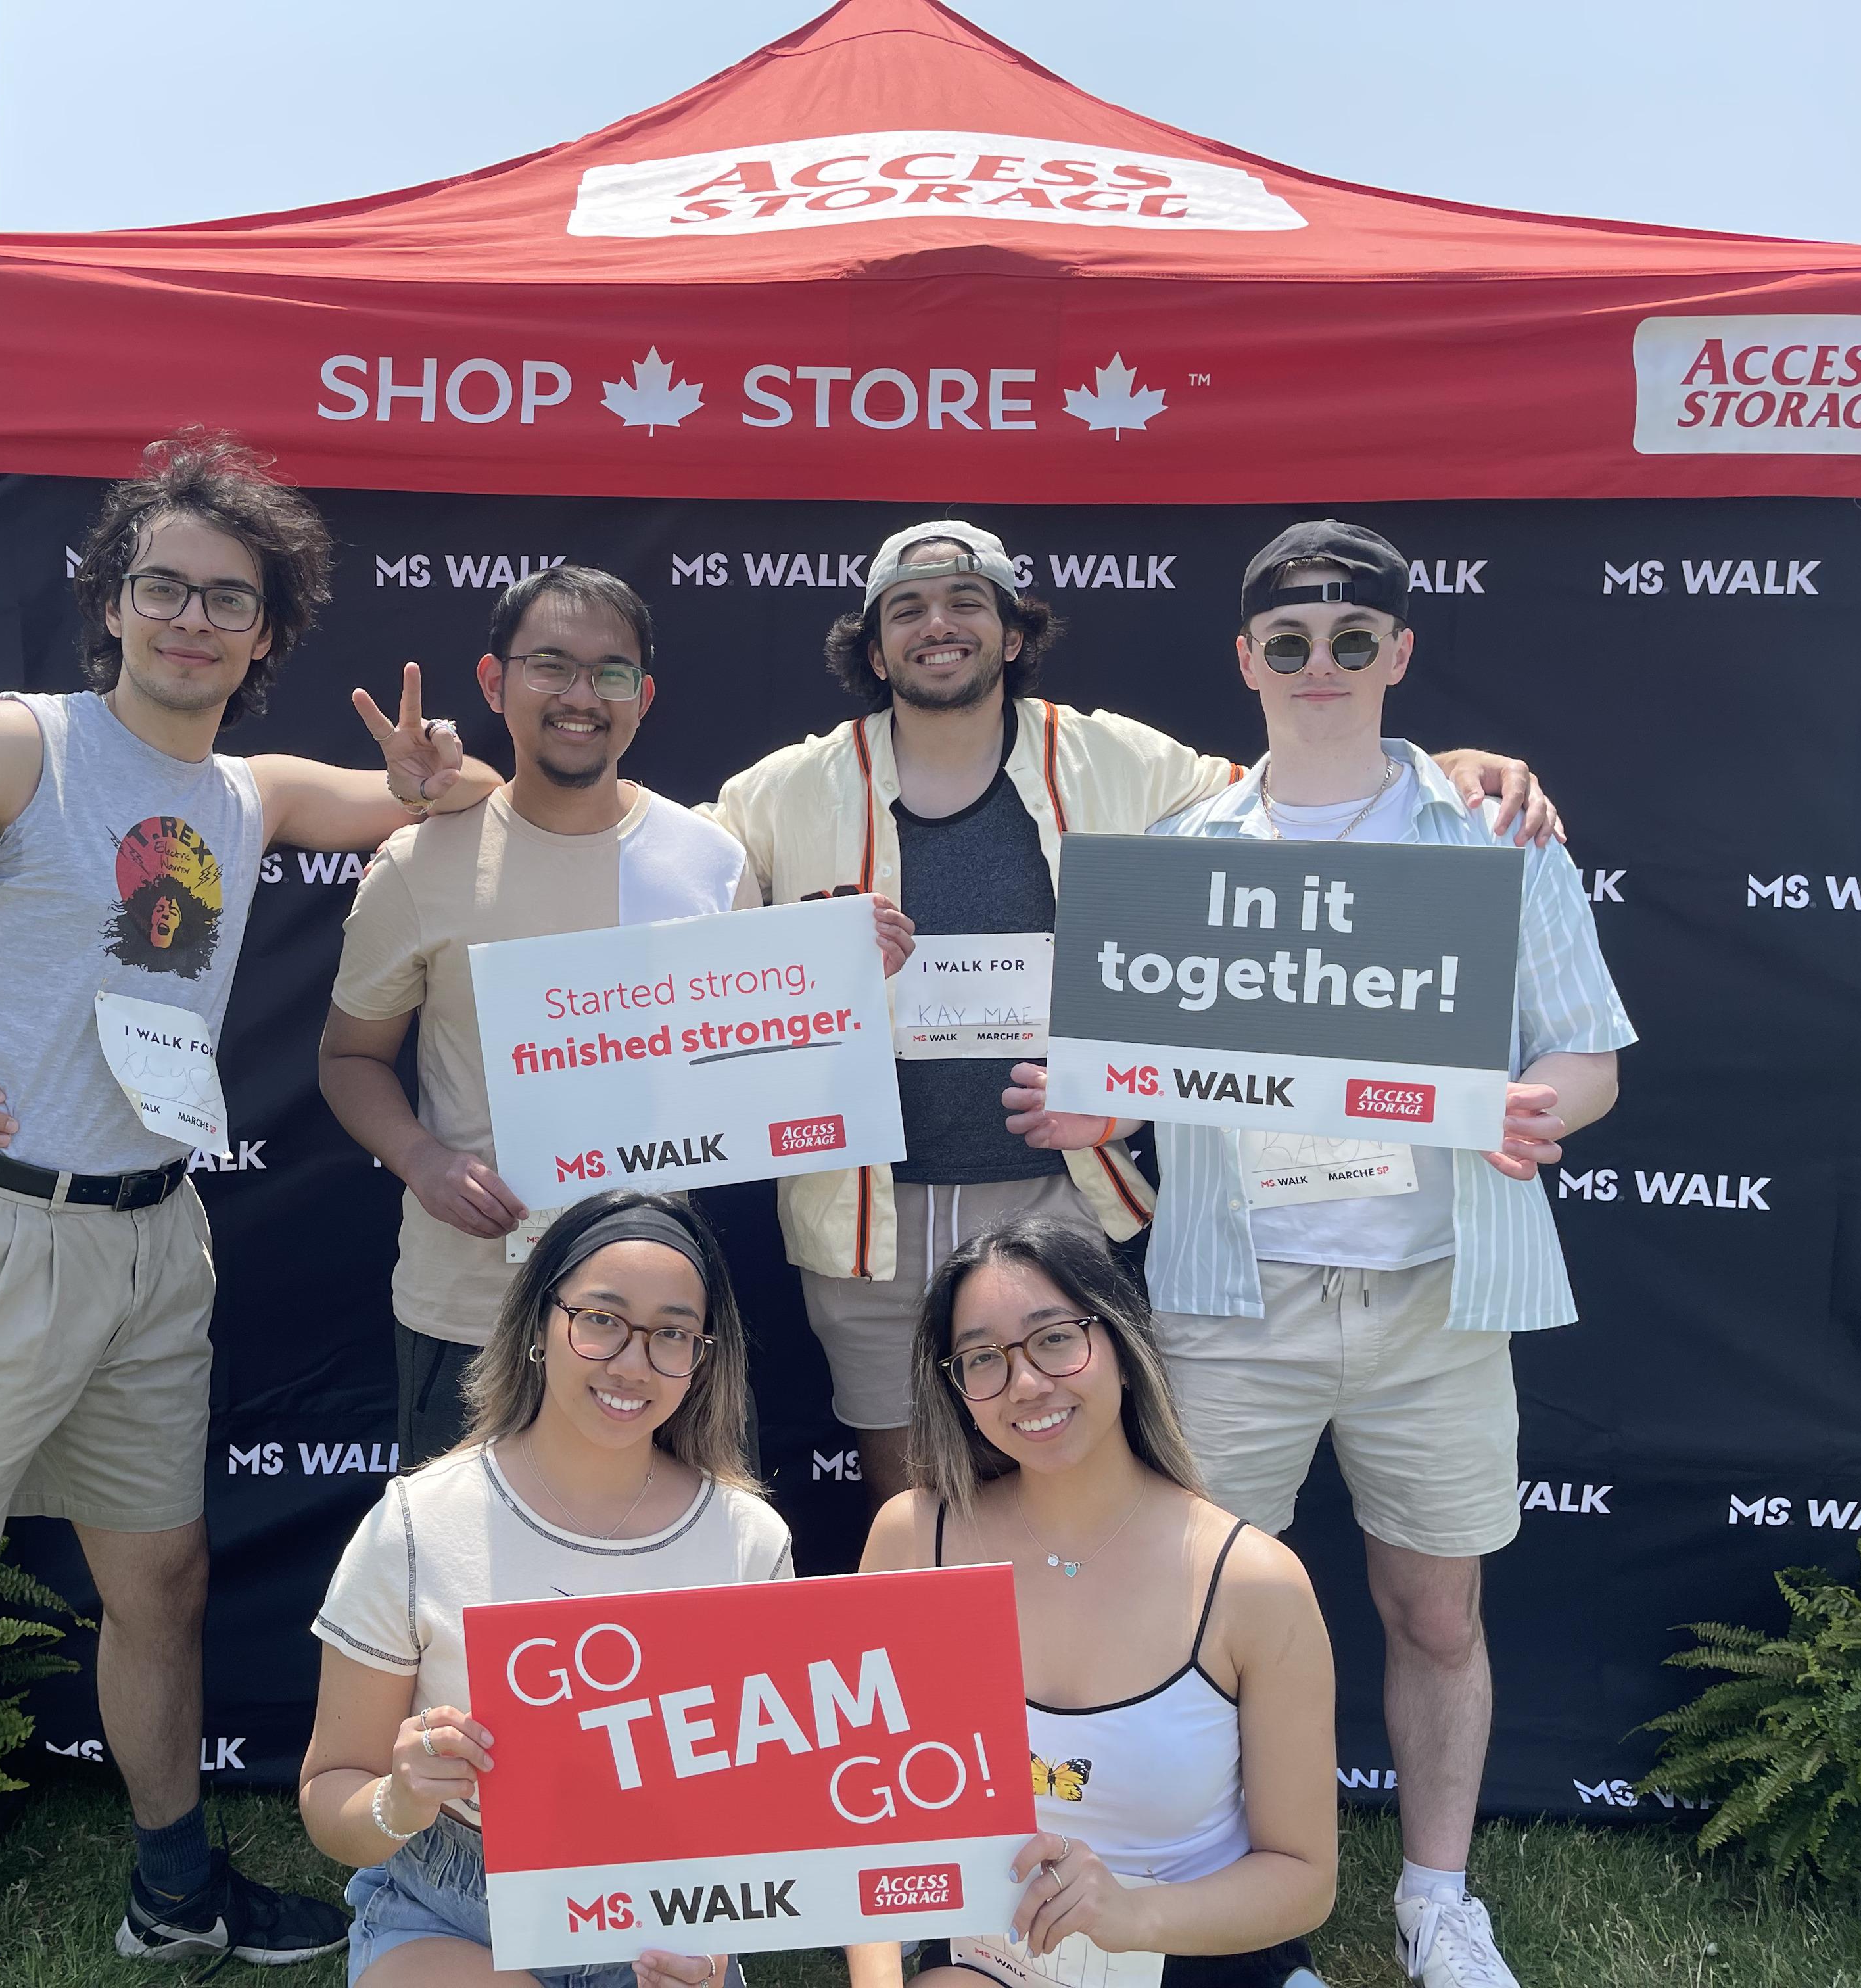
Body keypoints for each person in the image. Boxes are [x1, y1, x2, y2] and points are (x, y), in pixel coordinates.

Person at [0, 429, 499, 1986]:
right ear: (112, 602)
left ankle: (175, 1891)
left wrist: (429, 777)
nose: (190, 618)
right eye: (162, 586)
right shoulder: (18, 747)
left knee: (163, 1588)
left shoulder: (248, 791)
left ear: (267, 633)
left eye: (228, 598)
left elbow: (418, 803)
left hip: (150, 1242)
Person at [1006, 521, 1633, 1988]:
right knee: (1212, 1610)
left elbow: (1590, 1057)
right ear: (1247, 663)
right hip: (1236, 1295)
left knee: (1436, 1607)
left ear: (1400, 655)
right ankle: (1223, 1895)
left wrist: (1542, 1108)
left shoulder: (1494, 837)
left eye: (1355, 641)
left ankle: (1436, 1897)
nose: (1322, 669)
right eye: (1290, 644)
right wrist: (1089, 1103)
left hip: (1438, 1293)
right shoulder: (1176, 857)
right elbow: (1118, 1081)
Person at [701, 519, 1561, 1506]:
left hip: (1063, 1199)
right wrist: (804, 947)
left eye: (966, 603)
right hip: (864, 1215)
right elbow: (663, 907)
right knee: (914, 1505)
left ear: (1014, 632)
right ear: (873, 644)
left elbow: (1300, 819)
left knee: (1070, 1493)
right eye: (908, 610)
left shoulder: (1120, 760)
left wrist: (1436, 767)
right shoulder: (778, 791)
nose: (938, 626)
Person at [320, 564, 912, 1467]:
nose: (580, 695)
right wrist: (422, 1159)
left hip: (654, 1318)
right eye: (550, 665)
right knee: (466, 1594)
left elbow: (753, 1072)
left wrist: (833, 978)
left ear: (642, 697)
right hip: (470, 1304)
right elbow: (349, 1058)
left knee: (665, 1592)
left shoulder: (708, 859)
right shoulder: (415, 866)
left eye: (609, 673)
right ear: (495, 683)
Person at [300, 1189, 790, 1988]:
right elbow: (330, 1797)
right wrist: (401, 1797)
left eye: (671, 1334)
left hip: (666, 1911)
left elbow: (764, 1800)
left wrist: (714, 1941)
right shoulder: (420, 1523)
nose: (632, 1363)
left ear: (702, 1357)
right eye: (600, 1319)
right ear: (540, 1322)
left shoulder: (748, 1539)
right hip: (455, 1907)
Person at [851, 1214, 1335, 1988]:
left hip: (1199, 1954)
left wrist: (1132, 1919)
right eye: (983, 1359)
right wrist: (880, 1980)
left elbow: (1305, 1876)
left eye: (1054, 1339)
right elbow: (860, 1824)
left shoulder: (1250, 1581)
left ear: (1121, 1345)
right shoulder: (914, 1540)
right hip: (991, 1957)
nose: (1027, 1384)